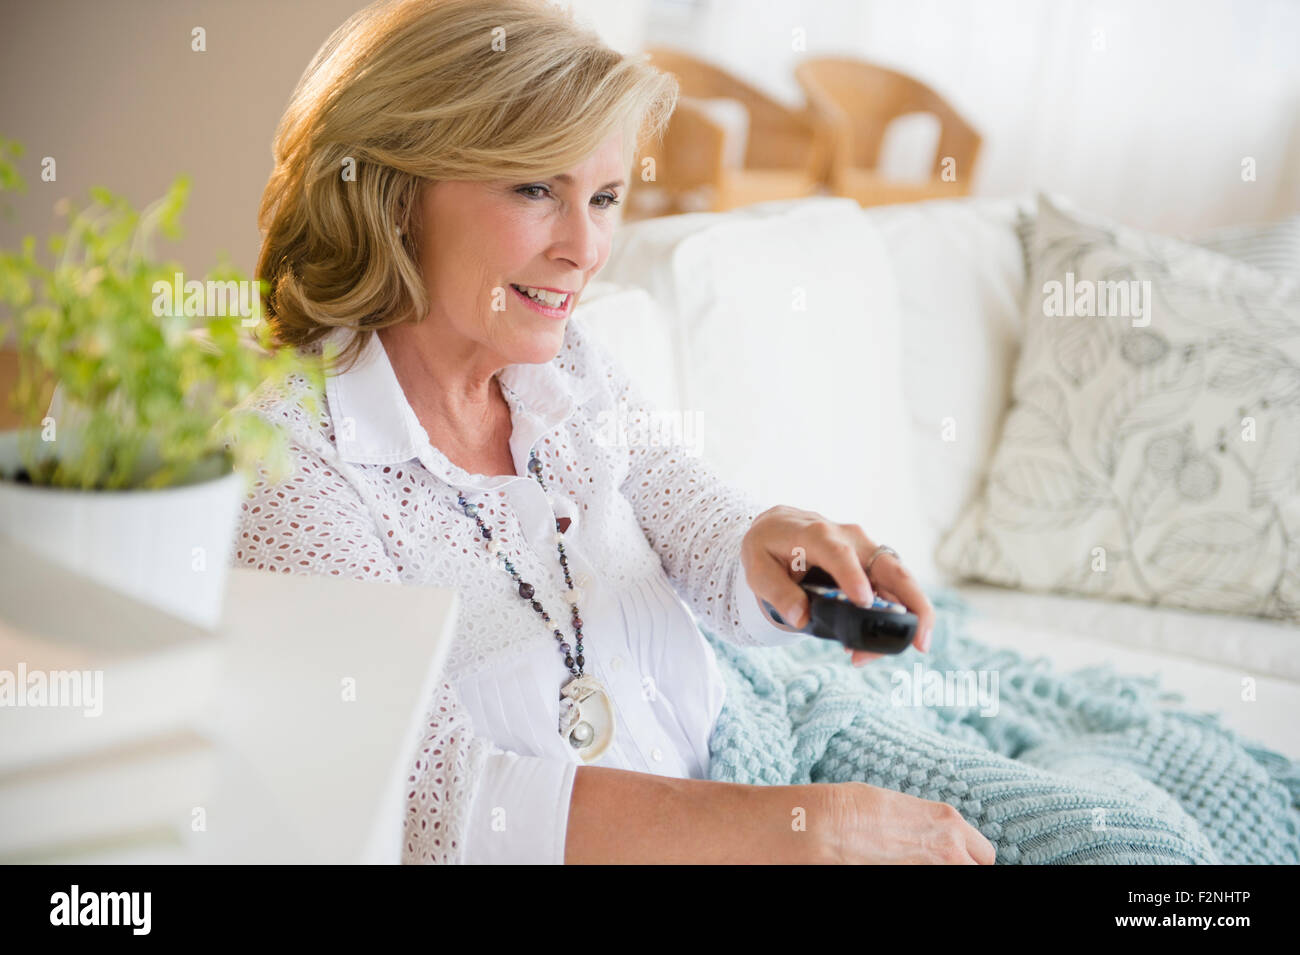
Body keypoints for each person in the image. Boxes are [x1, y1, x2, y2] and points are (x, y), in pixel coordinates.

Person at [236, 0, 995, 865]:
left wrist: (768, 548)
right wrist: (802, 829)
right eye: (535, 190)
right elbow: (429, 801)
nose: (587, 247)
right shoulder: (291, 463)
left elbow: (696, 521)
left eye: (602, 197)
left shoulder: (565, 368)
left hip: (758, 751)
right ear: (393, 193)